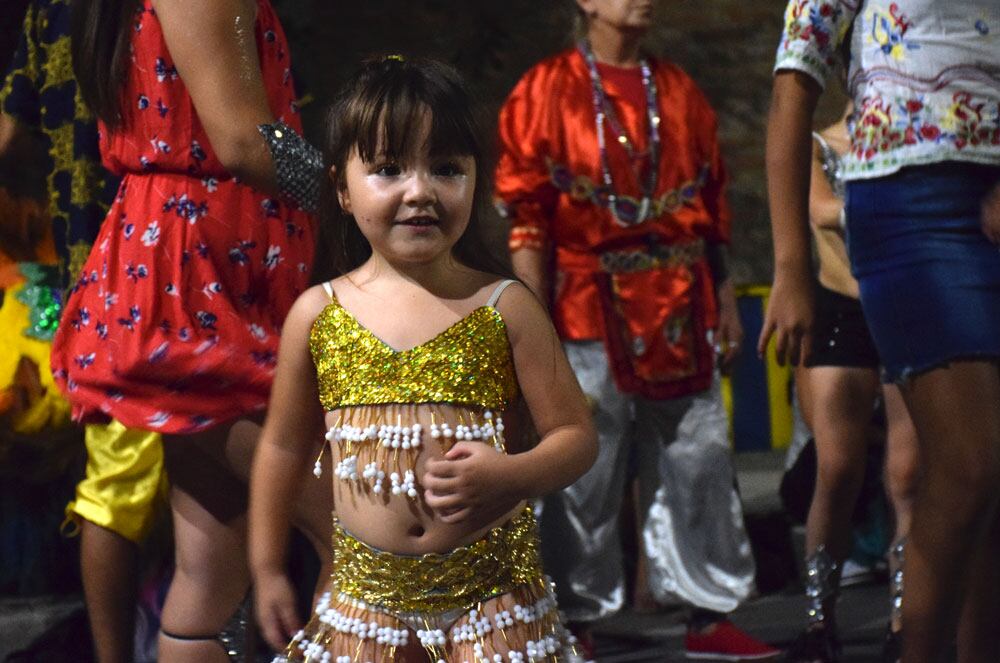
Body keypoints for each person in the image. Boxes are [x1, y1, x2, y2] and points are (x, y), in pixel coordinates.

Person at [248, 55, 598, 662]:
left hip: (495, 603)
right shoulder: (317, 314)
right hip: (363, 606)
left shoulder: (505, 306)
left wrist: (510, 475)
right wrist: (268, 565)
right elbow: (282, 447)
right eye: (387, 169)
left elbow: (576, 436)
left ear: (475, 180)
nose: (420, 192)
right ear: (341, 188)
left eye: (445, 168)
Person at [494, 1, 779, 660]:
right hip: (585, 308)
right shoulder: (547, 92)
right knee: (581, 473)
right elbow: (528, 218)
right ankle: (573, 621)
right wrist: (533, 325)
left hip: (682, 304)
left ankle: (710, 614)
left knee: (699, 460)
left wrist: (727, 302)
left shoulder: (679, 90)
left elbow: (711, 210)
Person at [54, 1, 331, 661]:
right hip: (202, 277)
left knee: (211, 568)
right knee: (363, 531)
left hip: (205, 266)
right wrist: (348, 185)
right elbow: (241, 139)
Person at [763, 1, 1000, 661]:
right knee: (970, 465)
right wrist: (790, 270)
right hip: (908, 203)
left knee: (993, 492)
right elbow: (791, 95)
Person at [0, 3, 169, 661]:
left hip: (96, 287)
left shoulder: (51, 11)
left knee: (123, 483)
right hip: (152, 268)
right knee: (131, 484)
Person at [783, 100, 919, 663]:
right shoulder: (820, 143)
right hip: (841, 311)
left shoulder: (913, 139)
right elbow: (817, 210)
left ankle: (903, 621)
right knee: (837, 469)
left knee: (907, 476)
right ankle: (819, 621)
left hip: (904, 305)